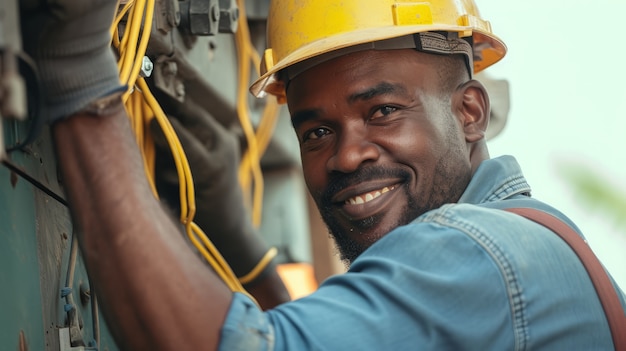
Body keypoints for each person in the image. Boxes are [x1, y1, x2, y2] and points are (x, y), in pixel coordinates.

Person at [20, 0, 625, 350]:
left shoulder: (475, 253)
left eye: (382, 111)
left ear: (469, 112)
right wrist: (250, 258)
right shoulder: (530, 244)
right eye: (316, 132)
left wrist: (76, 67)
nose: (344, 156)